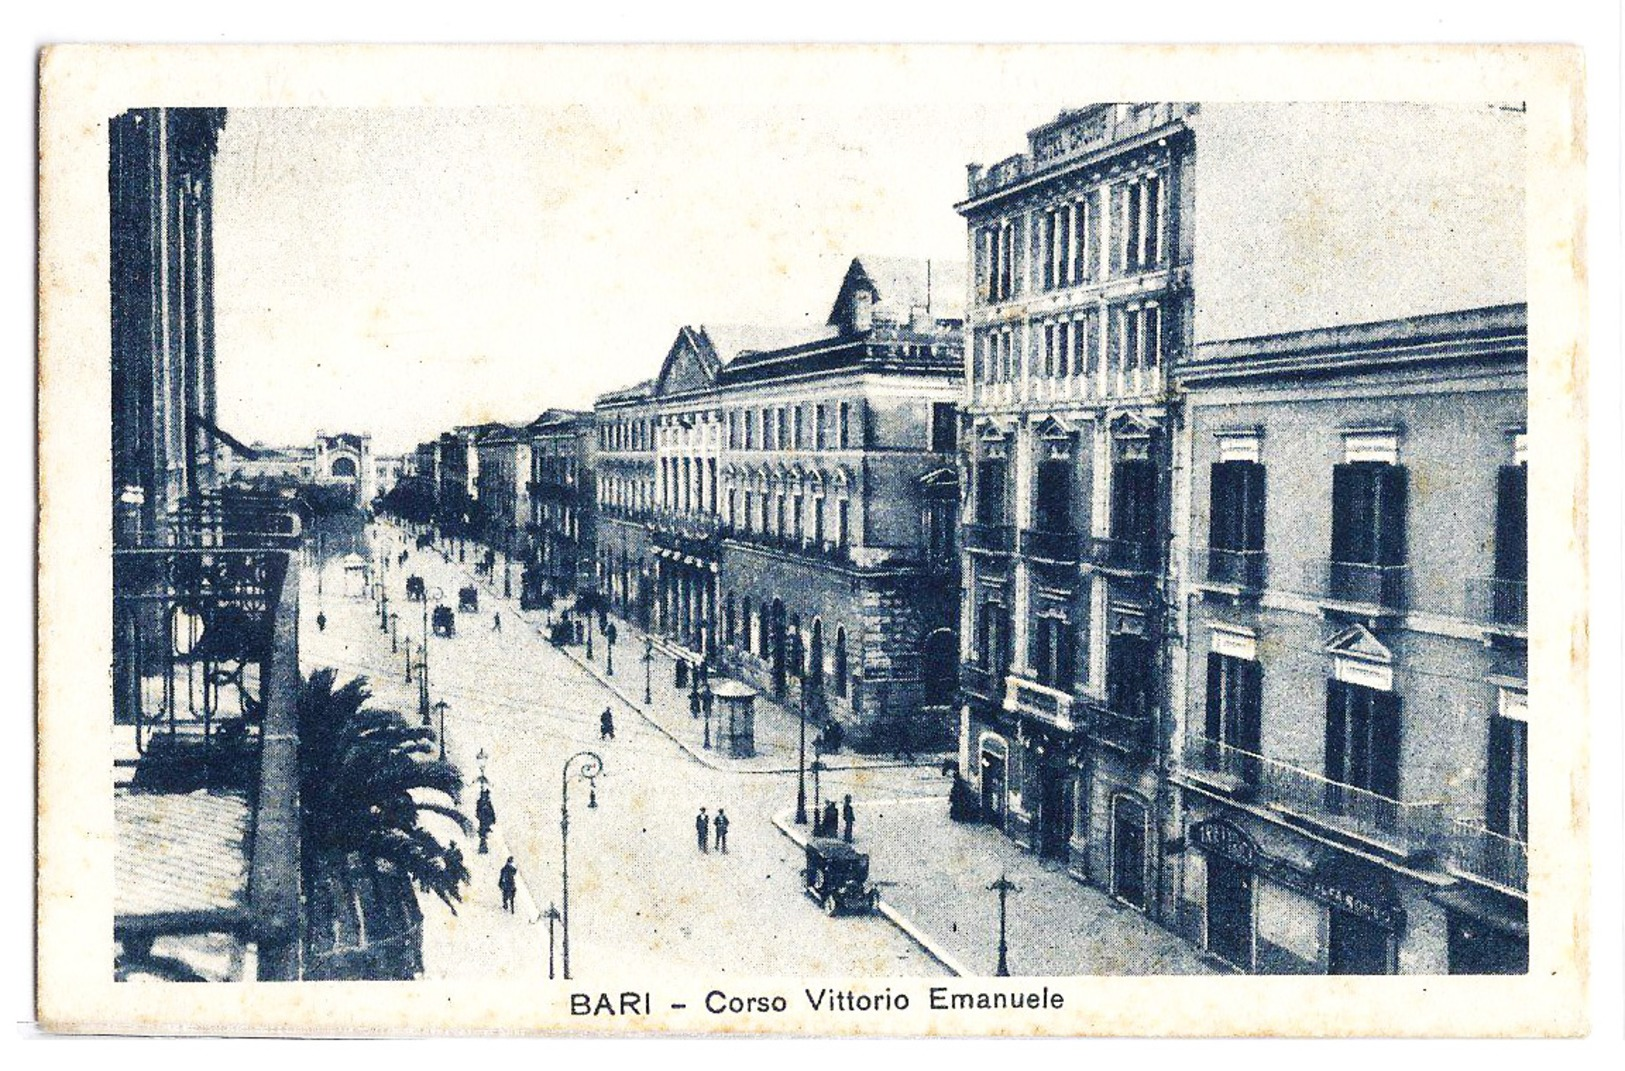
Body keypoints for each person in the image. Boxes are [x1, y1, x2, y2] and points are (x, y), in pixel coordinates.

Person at [476, 786, 496, 855]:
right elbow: (478, 811)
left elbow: (492, 811)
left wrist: (493, 819)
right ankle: (482, 848)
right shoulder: (480, 802)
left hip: (486, 820)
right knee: (483, 833)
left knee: (484, 833)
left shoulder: (487, 802)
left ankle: (484, 848)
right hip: (483, 820)